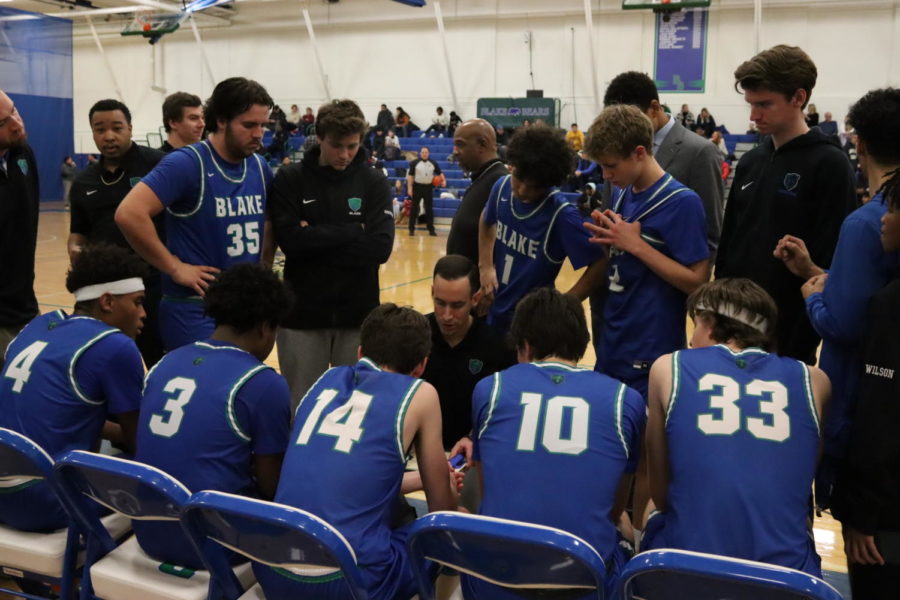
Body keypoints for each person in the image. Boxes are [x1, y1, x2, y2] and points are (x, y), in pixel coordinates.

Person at [256, 303, 457, 600]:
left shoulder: (325, 380)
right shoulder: (421, 394)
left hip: (271, 566)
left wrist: (417, 480)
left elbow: (349, 478)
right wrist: (449, 488)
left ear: (360, 353)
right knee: (452, 530)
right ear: (421, 366)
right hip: (346, 583)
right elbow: (442, 510)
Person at [463, 287, 644, 598]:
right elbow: (614, 509)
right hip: (584, 582)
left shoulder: (488, 389)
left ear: (526, 347)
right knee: (626, 529)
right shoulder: (626, 400)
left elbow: (490, 490)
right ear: (581, 345)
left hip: (496, 581)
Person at [644, 278, 829, 576]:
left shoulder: (668, 366)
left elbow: (662, 493)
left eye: (695, 326)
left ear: (709, 322)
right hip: (786, 581)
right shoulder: (816, 380)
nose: (692, 341)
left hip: (687, 573)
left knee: (651, 507)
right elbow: (800, 481)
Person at [773, 88, 900, 510]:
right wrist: (816, 272)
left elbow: (843, 324)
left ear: (859, 143)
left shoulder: (868, 222)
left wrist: (811, 296)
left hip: (864, 408)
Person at [133, 263, 292, 569]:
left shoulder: (166, 362)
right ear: (264, 327)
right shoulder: (262, 383)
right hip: (216, 544)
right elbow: (272, 488)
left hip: (147, 528)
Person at [715, 45, 856, 364]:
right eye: (751, 104)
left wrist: (800, 339)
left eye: (764, 104)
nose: (753, 116)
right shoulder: (751, 161)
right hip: (731, 333)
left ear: (798, 98)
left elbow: (832, 262)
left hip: (788, 342)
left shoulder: (829, 164)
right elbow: (729, 246)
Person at [115, 77, 275, 351]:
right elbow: (129, 213)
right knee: (206, 387)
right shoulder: (187, 162)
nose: (259, 133)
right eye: (249, 125)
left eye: (263, 125)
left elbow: (270, 222)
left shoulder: (260, 167)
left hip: (245, 305)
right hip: (194, 308)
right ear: (222, 121)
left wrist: (264, 267)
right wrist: (174, 266)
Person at [0, 243, 146, 532]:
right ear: (107, 302)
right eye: (138, 302)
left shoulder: (38, 325)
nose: (144, 314)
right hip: (41, 503)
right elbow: (139, 442)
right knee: (163, 475)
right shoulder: (114, 346)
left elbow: (46, 410)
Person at [269, 99, 394, 405]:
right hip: (302, 316)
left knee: (351, 409)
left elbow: (380, 248)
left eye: (352, 146)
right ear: (320, 137)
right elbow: (290, 242)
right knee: (300, 405)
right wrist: (353, 232)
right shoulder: (291, 178)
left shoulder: (373, 181)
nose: (345, 155)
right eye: (337, 146)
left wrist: (313, 234)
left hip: (357, 315)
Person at [583, 104, 710, 398]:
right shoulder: (622, 192)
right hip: (613, 341)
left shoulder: (682, 202)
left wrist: (636, 246)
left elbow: (698, 282)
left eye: (611, 165)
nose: (605, 175)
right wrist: (609, 241)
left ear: (639, 152)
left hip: (650, 351)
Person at [832, 171, 900, 598]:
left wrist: (860, 516)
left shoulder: (890, 306)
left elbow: (880, 420)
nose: (884, 219)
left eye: (893, 209)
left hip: (888, 522)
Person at [478, 125, 607, 334]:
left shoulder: (562, 215)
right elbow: (486, 220)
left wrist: (566, 302)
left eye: (534, 186)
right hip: (494, 314)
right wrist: (485, 267)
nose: (522, 190)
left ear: (549, 183)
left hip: (532, 328)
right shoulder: (501, 186)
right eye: (519, 179)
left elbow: (601, 261)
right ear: (513, 166)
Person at [68, 99, 166, 366]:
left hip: (154, 285)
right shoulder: (83, 182)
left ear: (130, 128)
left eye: (117, 127)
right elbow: (79, 231)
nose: (108, 136)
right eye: (100, 129)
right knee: (104, 359)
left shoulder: (159, 165)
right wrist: (75, 250)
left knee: (156, 358)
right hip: (105, 292)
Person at [422, 255, 515, 451]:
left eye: (457, 306)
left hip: (473, 454)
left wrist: (473, 439)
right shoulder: (414, 336)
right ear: (431, 293)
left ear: (475, 299)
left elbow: (505, 409)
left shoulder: (499, 347)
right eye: (440, 303)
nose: (447, 315)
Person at [0, 89, 39, 372]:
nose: (17, 122)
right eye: (3, 122)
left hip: (25, 303)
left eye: (14, 110)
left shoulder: (22, 153)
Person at [446, 120, 507, 263]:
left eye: (460, 144)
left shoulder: (500, 182)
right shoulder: (483, 177)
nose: (455, 152)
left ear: (482, 144)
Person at [407, 146, 442, 236]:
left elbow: (440, 173)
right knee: (414, 208)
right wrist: (409, 188)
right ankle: (411, 229)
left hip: (428, 188)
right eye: (423, 152)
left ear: (428, 153)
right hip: (417, 187)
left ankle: (431, 230)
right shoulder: (414, 163)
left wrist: (444, 180)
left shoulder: (433, 163)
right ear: (420, 153)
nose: (424, 154)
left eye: (426, 152)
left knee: (429, 209)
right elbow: (410, 176)